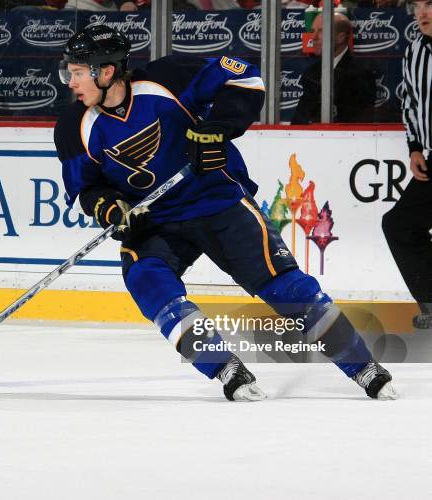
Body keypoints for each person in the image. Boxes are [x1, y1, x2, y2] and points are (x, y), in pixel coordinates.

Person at [54, 25, 397, 400]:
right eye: (68, 72)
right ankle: (224, 366)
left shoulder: (168, 77)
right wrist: (109, 206)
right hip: (157, 220)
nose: (70, 82)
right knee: (147, 280)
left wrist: (218, 129)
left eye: (77, 72)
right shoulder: (74, 125)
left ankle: (363, 366)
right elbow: (86, 188)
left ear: (106, 71)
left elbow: (244, 76)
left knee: (283, 287)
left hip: (216, 201)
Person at [382, 0, 432, 330]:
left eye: (429, 4)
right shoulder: (415, 49)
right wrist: (415, 146)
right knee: (400, 224)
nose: (422, 13)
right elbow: (411, 102)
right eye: (416, 6)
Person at [291, 12, 376, 124]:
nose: (314, 37)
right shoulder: (311, 73)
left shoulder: (361, 73)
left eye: (321, 31)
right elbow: (299, 121)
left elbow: (358, 123)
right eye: (313, 31)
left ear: (340, 37)